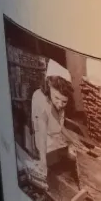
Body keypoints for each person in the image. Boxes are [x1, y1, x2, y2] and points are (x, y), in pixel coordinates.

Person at [30, 60, 76, 188]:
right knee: (58, 177)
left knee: (75, 157)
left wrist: (73, 141)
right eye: (57, 98)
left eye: (64, 102)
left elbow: (60, 126)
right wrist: (43, 162)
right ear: (49, 84)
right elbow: (42, 132)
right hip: (45, 147)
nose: (60, 104)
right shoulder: (40, 99)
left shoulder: (60, 100)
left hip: (57, 143)